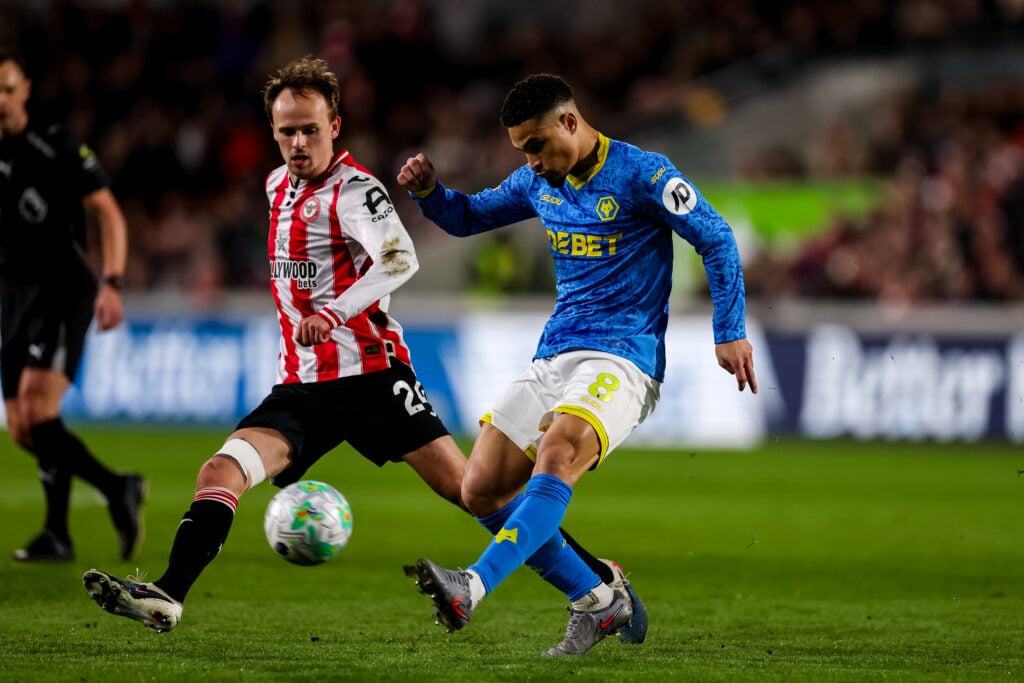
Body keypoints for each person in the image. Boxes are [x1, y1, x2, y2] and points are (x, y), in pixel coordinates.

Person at [82, 58, 647, 639]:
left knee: (476, 493)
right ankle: (168, 596)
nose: (298, 143)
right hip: (303, 386)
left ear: (335, 127)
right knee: (220, 469)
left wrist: (333, 312)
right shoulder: (276, 186)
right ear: (272, 132)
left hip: (373, 377)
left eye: (310, 129)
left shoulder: (356, 192)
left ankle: (598, 581)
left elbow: (401, 258)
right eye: (286, 131)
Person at [398, 73, 757, 656]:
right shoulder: (536, 183)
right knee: (479, 489)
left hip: (625, 357)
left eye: (537, 145)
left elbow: (715, 236)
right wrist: (430, 193)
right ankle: (597, 598)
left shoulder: (643, 173)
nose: (532, 162)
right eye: (522, 151)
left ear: (570, 121)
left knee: (557, 451)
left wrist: (730, 330)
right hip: (556, 354)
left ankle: (473, 583)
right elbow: (467, 217)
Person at [0, 49, 145, 563]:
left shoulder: (55, 144)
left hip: (62, 290)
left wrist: (112, 281)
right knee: (22, 428)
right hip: (12, 297)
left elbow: (108, 212)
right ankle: (102, 498)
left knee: (39, 410)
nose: (0, 101)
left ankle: (87, 510)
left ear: (25, 92)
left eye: (6, 89)